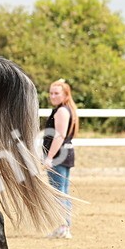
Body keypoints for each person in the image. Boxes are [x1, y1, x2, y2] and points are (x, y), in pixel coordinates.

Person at [43, 79, 78, 238]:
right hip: (65, 154)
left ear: (65, 95)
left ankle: (63, 226)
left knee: (59, 191)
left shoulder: (61, 111)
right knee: (63, 191)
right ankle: (65, 226)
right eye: (51, 93)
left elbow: (59, 135)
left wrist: (49, 157)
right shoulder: (66, 110)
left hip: (59, 156)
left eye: (56, 93)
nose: (53, 96)